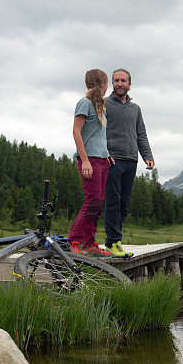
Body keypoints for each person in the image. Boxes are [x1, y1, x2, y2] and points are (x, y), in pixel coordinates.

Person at [103, 68, 154, 258]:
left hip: (131, 160)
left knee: (124, 204)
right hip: (112, 160)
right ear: (112, 83)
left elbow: (141, 134)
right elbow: (100, 131)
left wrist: (147, 155)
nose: (119, 84)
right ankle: (112, 242)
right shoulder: (105, 104)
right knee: (113, 202)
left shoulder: (136, 109)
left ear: (130, 84)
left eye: (123, 81)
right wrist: (106, 153)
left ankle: (116, 240)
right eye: (116, 80)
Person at [68, 69, 113, 258]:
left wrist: (107, 154)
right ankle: (75, 241)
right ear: (101, 82)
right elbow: (76, 132)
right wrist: (84, 159)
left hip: (103, 160)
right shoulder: (84, 103)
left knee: (98, 204)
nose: (107, 86)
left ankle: (89, 244)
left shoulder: (100, 105)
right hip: (90, 160)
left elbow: (98, 135)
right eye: (107, 82)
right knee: (92, 201)